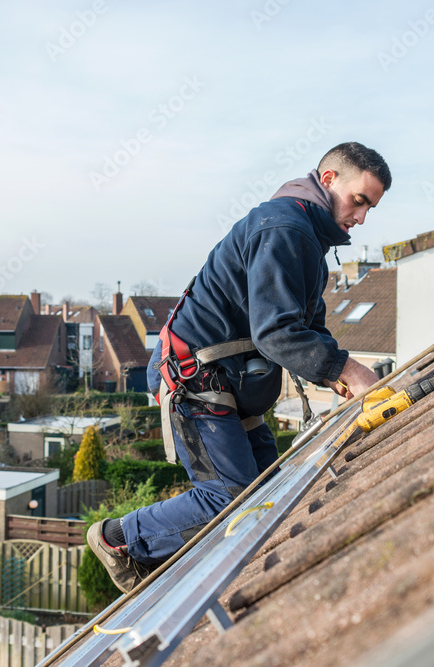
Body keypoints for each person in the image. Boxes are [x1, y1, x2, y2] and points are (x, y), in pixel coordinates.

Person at [87, 142, 392, 593]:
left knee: (270, 496)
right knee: (234, 500)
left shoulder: (306, 240)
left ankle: (215, 574)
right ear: (329, 180)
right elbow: (276, 333)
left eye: (371, 207)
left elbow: (308, 327)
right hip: (196, 379)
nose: (362, 217)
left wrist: (332, 371)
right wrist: (347, 370)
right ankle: (119, 540)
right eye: (359, 200)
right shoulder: (285, 229)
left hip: (231, 382)